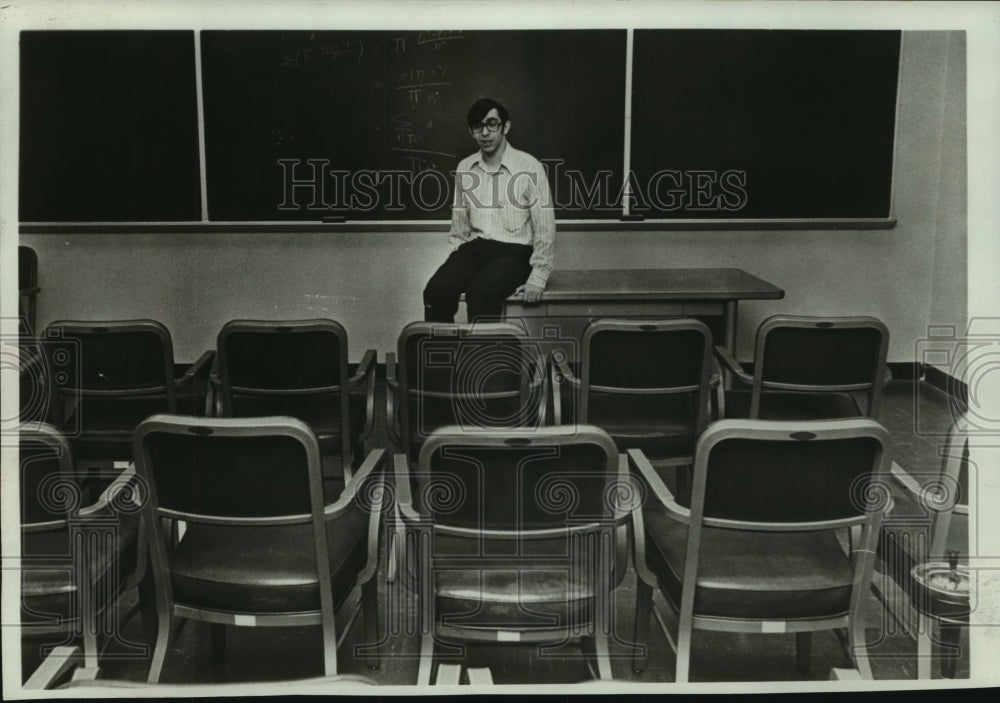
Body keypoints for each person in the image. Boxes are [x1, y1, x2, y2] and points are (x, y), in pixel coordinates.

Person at [423, 98, 556, 323]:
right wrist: (455, 265)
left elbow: (545, 226)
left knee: (481, 293)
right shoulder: (466, 167)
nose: (485, 132)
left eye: (492, 124)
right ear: (471, 131)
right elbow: (460, 225)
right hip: (476, 249)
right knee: (437, 289)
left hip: (515, 253)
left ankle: (486, 359)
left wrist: (538, 277)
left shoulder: (529, 167)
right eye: (478, 126)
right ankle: (442, 357)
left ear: (506, 127)